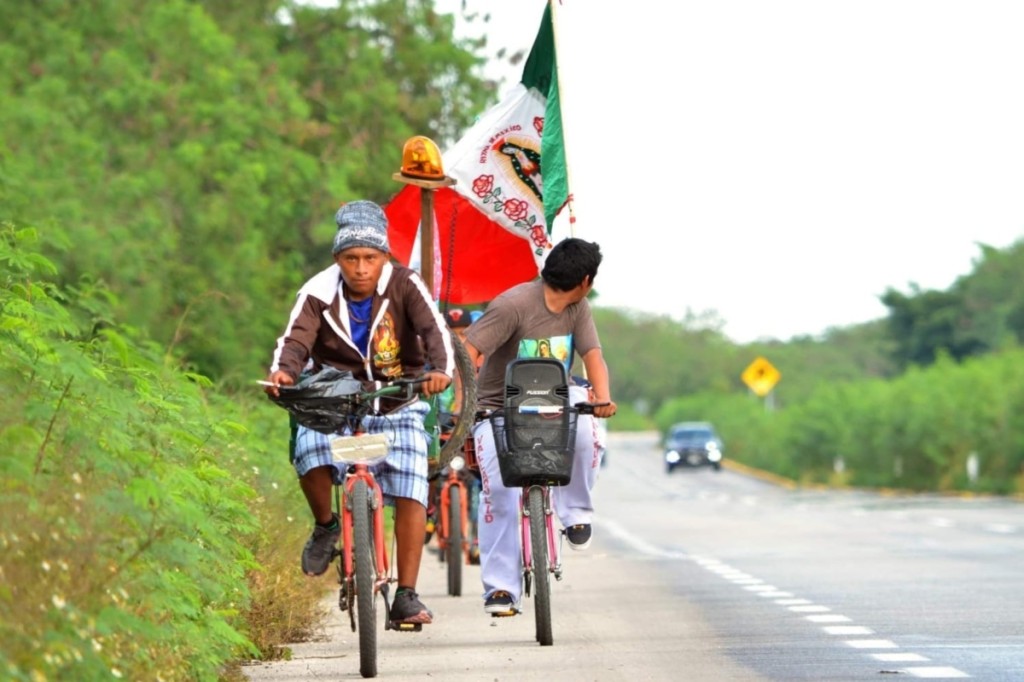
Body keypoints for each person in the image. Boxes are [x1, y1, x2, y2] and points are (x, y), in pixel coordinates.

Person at [264, 200, 454, 626]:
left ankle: (406, 594)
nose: (361, 268)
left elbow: (434, 331)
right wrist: (283, 373)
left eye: (370, 258)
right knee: (309, 450)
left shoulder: (407, 284)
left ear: (384, 256)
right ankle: (327, 525)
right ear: (338, 259)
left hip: (396, 397)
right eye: (351, 258)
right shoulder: (317, 291)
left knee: (410, 481)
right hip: (333, 400)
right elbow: (294, 342)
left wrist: (440, 371)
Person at [461, 237, 617, 616]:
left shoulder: (578, 309)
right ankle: (501, 589)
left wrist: (602, 398)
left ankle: (576, 512)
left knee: (587, 433)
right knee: (497, 492)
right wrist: (466, 406)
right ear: (586, 281)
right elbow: (469, 351)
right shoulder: (513, 305)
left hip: (558, 402)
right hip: (498, 407)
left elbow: (592, 354)